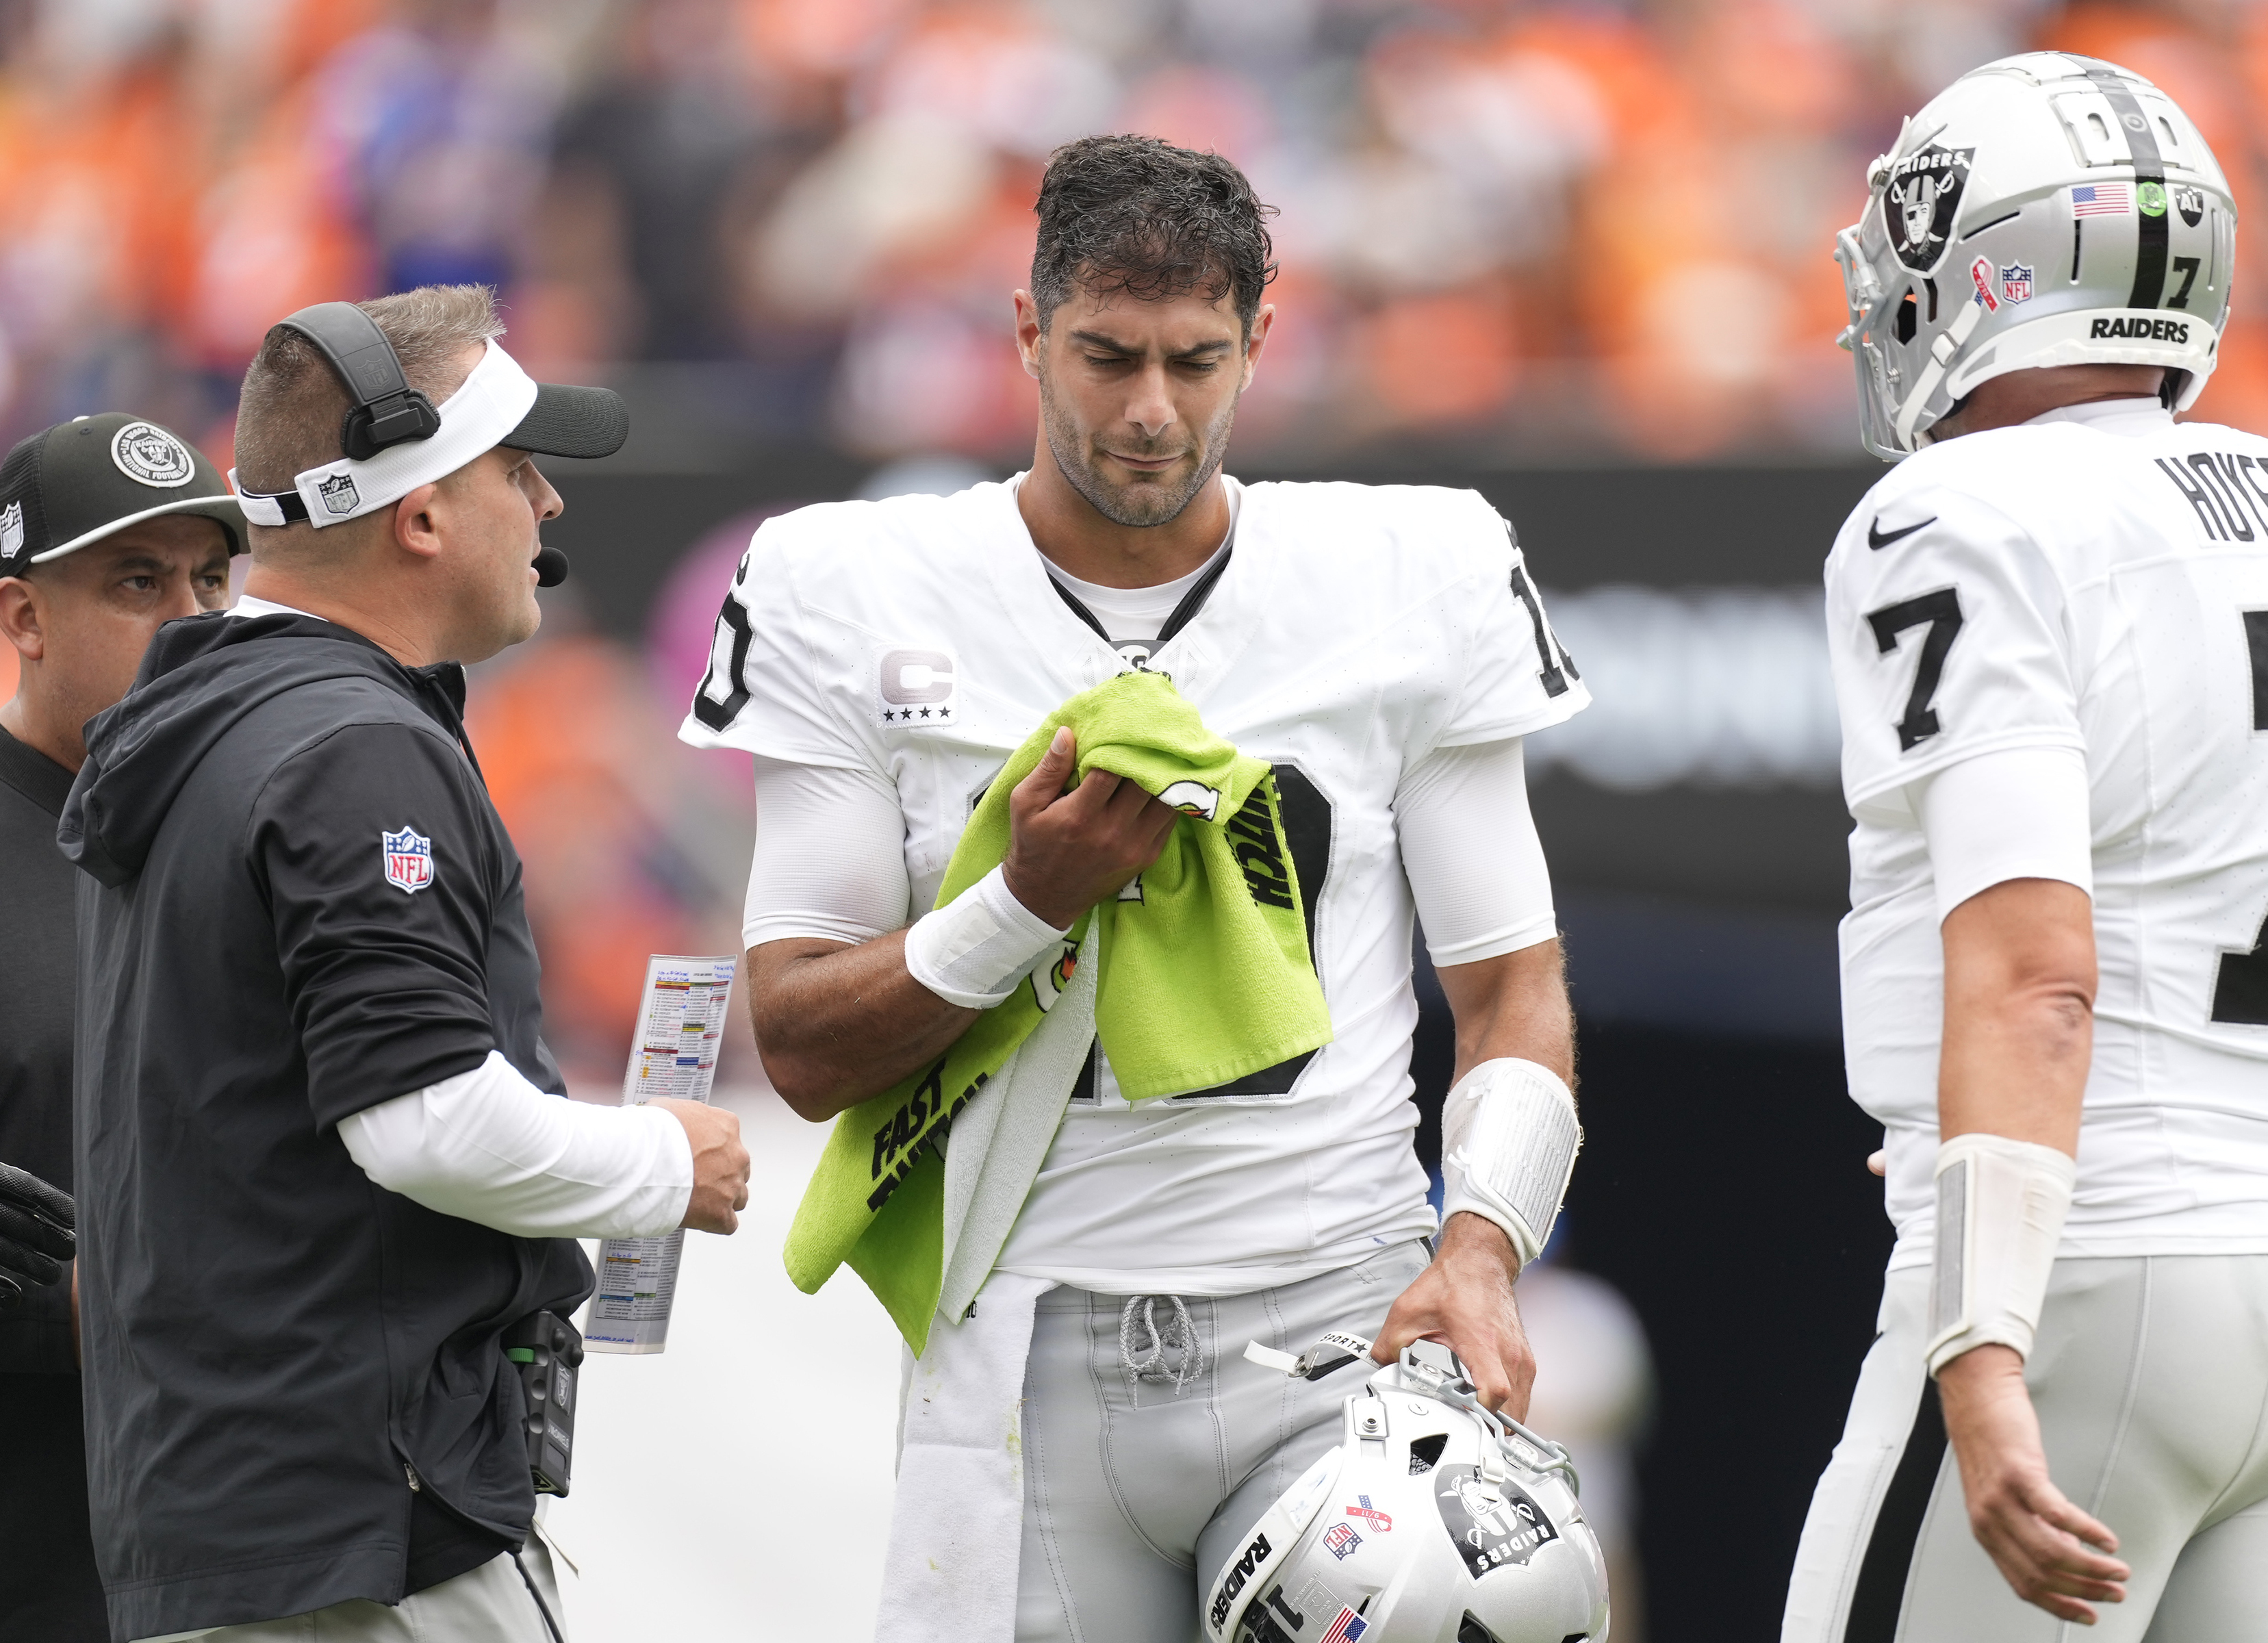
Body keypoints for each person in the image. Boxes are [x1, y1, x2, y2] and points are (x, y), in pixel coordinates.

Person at [681, 135, 1592, 1642]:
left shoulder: (1414, 565)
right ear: (1028, 330)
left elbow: (1510, 988)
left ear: (1262, 340)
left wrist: (1484, 1248)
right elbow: (802, 1044)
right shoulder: (850, 580)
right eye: (1107, 356)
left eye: (1195, 358)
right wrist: (1023, 903)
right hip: (1026, 1358)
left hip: (1337, 1320)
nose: (1154, 409)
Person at [1783, 53, 2268, 1643]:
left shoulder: (1951, 512)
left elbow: (2036, 980)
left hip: (2087, 1286)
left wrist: (1990, 1329)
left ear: (1996, 267)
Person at [62, 286, 753, 1643]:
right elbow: (425, 1126)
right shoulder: (349, 745)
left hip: (222, 1525)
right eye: (518, 469)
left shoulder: (207, 725)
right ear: (422, 509)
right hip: (357, 1534)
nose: (547, 508)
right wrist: (669, 1161)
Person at [0, 412, 242, 1641]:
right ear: (23, 619)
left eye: (211, 577)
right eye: (138, 581)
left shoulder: (275, 841)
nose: (192, 617)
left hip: (254, 1576)